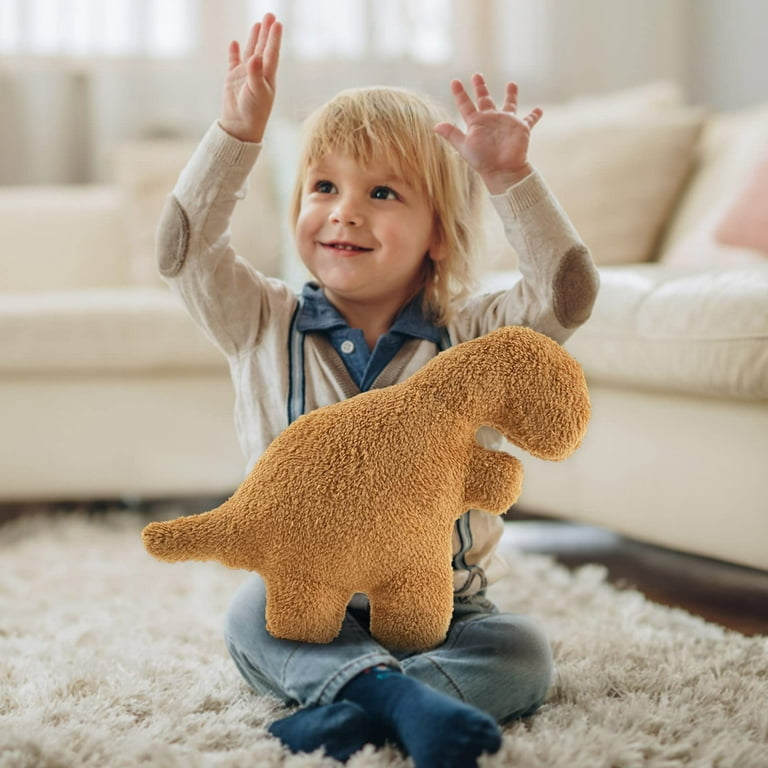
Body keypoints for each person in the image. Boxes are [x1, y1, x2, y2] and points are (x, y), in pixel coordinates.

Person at [157, 12, 599, 768]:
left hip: (443, 605)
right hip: (307, 591)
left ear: (436, 231)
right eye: (323, 185)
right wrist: (236, 133)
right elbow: (183, 247)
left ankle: (356, 703)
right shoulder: (261, 319)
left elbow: (568, 294)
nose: (345, 211)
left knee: (523, 650)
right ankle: (401, 702)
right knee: (250, 614)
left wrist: (508, 177)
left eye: (383, 193)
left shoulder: (473, 335)